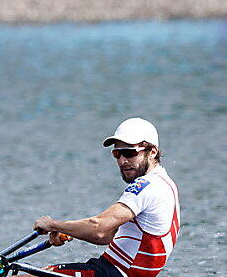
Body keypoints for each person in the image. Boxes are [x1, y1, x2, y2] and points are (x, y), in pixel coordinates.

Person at [29, 117, 180, 277]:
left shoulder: (146, 186)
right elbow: (105, 235)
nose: (123, 160)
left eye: (129, 153)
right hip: (111, 269)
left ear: (152, 152)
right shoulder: (163, 182)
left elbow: (98, 226)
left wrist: (53, 224)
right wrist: (69, 231)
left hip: (116, 272)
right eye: (117, 153)